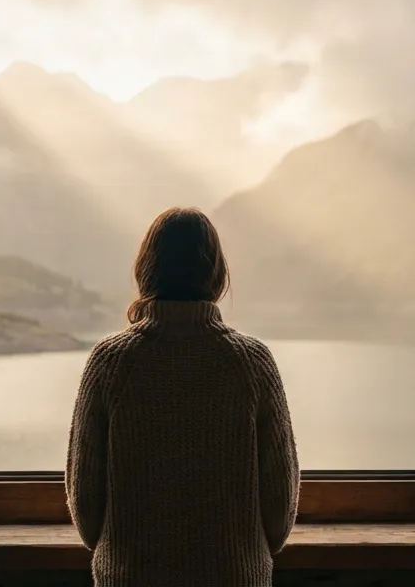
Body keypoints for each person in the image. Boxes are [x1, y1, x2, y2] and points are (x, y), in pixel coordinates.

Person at [66, 207, 301, 587]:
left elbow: (86, 505)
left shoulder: (112, 362)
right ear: (217, 274)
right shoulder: (251, 363)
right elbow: (279, 507)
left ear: (145, 270)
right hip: (234, 577)